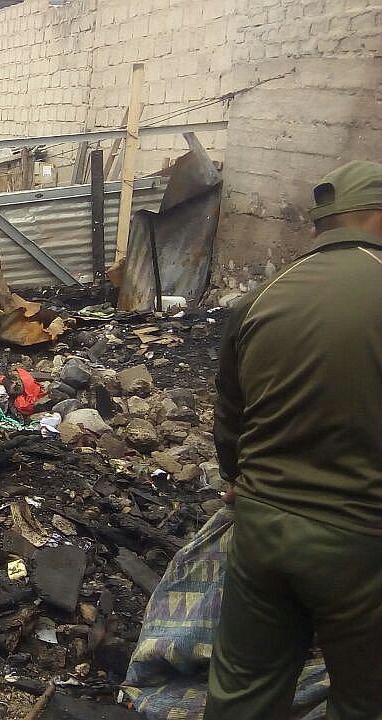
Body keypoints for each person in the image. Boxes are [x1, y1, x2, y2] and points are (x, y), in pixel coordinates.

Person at [206, 160, 382, 720]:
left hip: (262, 529)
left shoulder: (260, 297)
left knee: (244, 693)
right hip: (361, 539)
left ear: (318, 226)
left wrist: (239, 480)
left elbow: (230, 414)